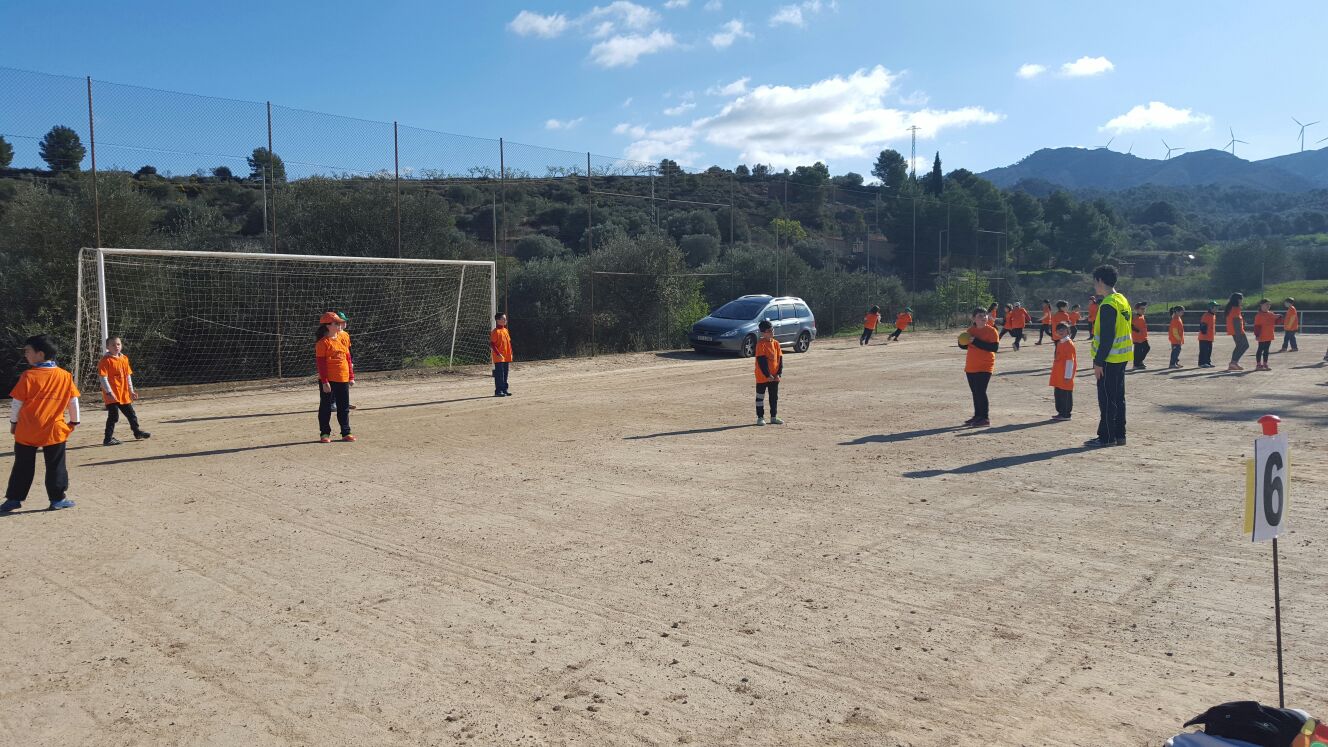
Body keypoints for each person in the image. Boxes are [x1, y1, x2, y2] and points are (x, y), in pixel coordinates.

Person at [1, 335, 80, 513]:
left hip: (27, 429)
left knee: (22, 466)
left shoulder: (28, 376)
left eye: (28, 351)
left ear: (40, 354)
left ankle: (13, 499)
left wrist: (13, 423)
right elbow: (73, 401)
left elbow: (17, 404)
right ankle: (57, 499)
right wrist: (74, 421)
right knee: (56, 465)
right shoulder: (65, 376)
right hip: (54, 429)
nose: (25, 354)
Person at [1088, 265, 1131, 448]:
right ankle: (1120, 435)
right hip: (1122, 357)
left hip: (1109, 359)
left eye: (1094, 282)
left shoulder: (1107, 304)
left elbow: (1107, 337)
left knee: (1107, 399)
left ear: (1100, 280)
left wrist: (1098, 362)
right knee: (1118, 398)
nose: (1094, 286)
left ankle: (1106, 437)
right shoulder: (1121, 299)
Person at [98, 336, 151, 445]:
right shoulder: (105, 360)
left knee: (131, 414)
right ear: (107, 347)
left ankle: (137, 432)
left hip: (123, 394)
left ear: (121, 345)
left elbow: (128, 376)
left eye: (118, 344)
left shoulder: (124, 358)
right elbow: (103, 378)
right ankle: (108, 439)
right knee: (114, 417)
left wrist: (131, 391)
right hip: (111, 395)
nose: (116, 346)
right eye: (113, 345)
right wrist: (109, 392)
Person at [315, 312, 355, 443]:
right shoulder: (322, 343)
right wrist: (325, 382)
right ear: (328, 326)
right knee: (326, 407)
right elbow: (321, 365)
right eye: (336, 323)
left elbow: (348, 359)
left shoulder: (342, 338)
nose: (340, 324)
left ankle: (346, 432)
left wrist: (351, 376)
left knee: (344, 407)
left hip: (342, 378)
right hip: (329, 380)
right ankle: (325, 433)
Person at [957, 307, 999, 427]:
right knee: (975, 392)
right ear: (973, 318)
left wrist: (975, 341)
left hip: (985, 365)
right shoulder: (971, 330)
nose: (983, 317)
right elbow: (965, 346)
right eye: (980, 315)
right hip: (971, 366)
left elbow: (994, 348)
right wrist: (961, 342)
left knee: (981, 391)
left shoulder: (992, 331)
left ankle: (985, 418)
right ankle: (977, 416)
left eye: (984, 315)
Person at [754, 319, 783, 426]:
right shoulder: (760, 344)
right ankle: (760, 417)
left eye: (772, 329)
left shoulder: (776, 344)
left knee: (774, 397)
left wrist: (778, 373)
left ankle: (773, 417)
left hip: (774, 377)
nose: (772, 332)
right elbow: (761, 361)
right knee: (760, 398)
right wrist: (767, 375)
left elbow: (780, 360)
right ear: (763, 333)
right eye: (769, 330)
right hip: (762, 377)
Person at [1049, 322, 1077, 420]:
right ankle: (1061, 412)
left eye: (1063, 329)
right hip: (1058, 374)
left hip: (1065, 375)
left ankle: (1066, 414)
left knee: (1065, 394)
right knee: (1059, 394)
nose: (1060, 331)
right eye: (1059, 330)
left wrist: (1068, 376)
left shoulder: (1069, 344)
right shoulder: (1060, 342)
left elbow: (1070, 361)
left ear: (1068, 331)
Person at [1252, 299, 1280, 371]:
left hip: (1269, 335)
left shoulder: (1271, 314)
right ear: (1261, 305)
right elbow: (1256, 326)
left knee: (1266, 350)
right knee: (1260, 349)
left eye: (1269, 304)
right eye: (1266, 304)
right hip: (1262, 335)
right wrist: (1257, 335)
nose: (1268, 306)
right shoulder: (1259, 315)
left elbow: (1276, 322)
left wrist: (1279, 317)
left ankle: (1265, 364)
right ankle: (1258, 364)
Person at [491, 312, 513, 396]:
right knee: (499, 374)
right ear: (498, 320)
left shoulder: (505, 330)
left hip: (506, 356)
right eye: (503, 318)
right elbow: (492, 344)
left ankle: (504, 389)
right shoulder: (495, 331)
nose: (505, 320)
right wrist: (498, 354)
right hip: (499, 357)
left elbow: (508, 343)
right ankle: (498, 391)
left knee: (505, 373)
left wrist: (511, 353)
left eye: (505, 318)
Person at [1225, 293, 1248, 371]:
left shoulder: (1231, 308)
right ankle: (1233, 363)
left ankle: (1233, 363)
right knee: (1245, 345)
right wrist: (1238, 334)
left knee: (1239, 346)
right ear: (1238, 300)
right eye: (1241, 299)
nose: (1242, 301)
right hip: (1238, 331)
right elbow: (1236, 321)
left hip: (1235, 331)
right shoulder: (1235, 308)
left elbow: (1236, 320)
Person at [1197, 301, 1218, 368]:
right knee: (1204, 351)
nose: (1217, 309)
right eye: (1215, 307)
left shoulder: (1213, 315)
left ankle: (1207, 362)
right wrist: (1204, 333)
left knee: (1209, 351)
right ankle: (1202, 363)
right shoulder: (1206, 315)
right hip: (1204, 337)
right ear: (1211, 308)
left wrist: (1213, 331)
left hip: (1210, 337)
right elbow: (1203, 325)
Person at [1131, 301, 1150, 370]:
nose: (1144, 310)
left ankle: (1139, 362)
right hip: (1137, 338)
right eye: (1142, 309)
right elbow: (1130, 325)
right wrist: (1137, 330)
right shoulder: (1134, 316)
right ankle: (1136, 364)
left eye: (1144, 309)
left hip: (1143, 337)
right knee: (1137, 351)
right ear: (1137, 309)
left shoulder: (1142, 316)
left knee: (1147, 348)